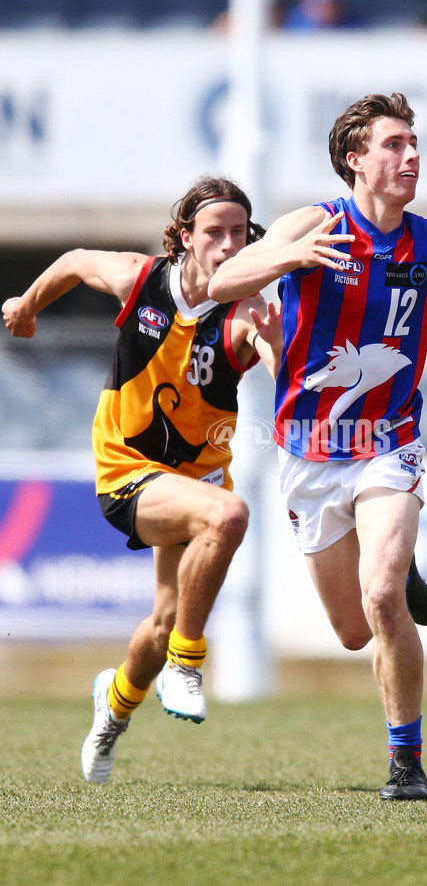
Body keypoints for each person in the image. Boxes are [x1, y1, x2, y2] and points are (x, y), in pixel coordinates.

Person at [208, 92, 427, 800]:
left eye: (413, 144)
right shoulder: (314, 222)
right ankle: (398, 565)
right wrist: (291, 252)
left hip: (386, 444)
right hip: (308, 454)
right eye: (394, 145)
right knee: (350, 631)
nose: (411, 156)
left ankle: (407, 763)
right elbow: (219, 282)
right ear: (355, 160)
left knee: (380, 595)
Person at [2, 176, 281, 784]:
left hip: (196, 478)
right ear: (184, 238)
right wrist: (26, 306)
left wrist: (277, 342)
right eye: (214, 232)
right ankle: (190, 662)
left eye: (240, 233)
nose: (229, 245)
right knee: (229, 517)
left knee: (159, 622)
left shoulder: (247, 309)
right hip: (127, 470)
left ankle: (113, 710)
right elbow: (76, 261)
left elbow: (275, 362)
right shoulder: (141, 279)